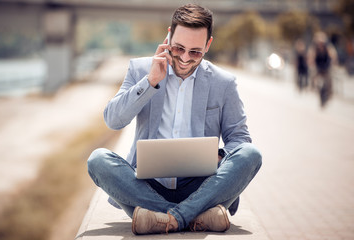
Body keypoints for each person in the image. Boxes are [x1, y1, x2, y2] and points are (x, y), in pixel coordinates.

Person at [87, 4, 262, 235]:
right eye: (179, 48)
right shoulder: (140, 70)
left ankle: (165, 219)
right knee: (98, 160)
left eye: (195, 52)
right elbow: (113, 120)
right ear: (168, 36)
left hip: (202, 187)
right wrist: (150, 82)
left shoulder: (224, 83)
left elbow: (239, 139)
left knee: (251, 155)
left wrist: (220, 155)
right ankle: (194, 217)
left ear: (208, 45)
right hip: (147, 186)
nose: (185, 59)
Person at [308, 32, 337, 107]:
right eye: (319, 42)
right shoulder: (314, 48)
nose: (320, 44)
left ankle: (330, 93)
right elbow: (311, 55)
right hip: (318, 66)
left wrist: (333, 61)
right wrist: (311, 61)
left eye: (322, 42)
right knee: (313, 75)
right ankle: (312, 87)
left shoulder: (328, 47)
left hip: (326, 66)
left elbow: (333, 55)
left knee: (329, 79)